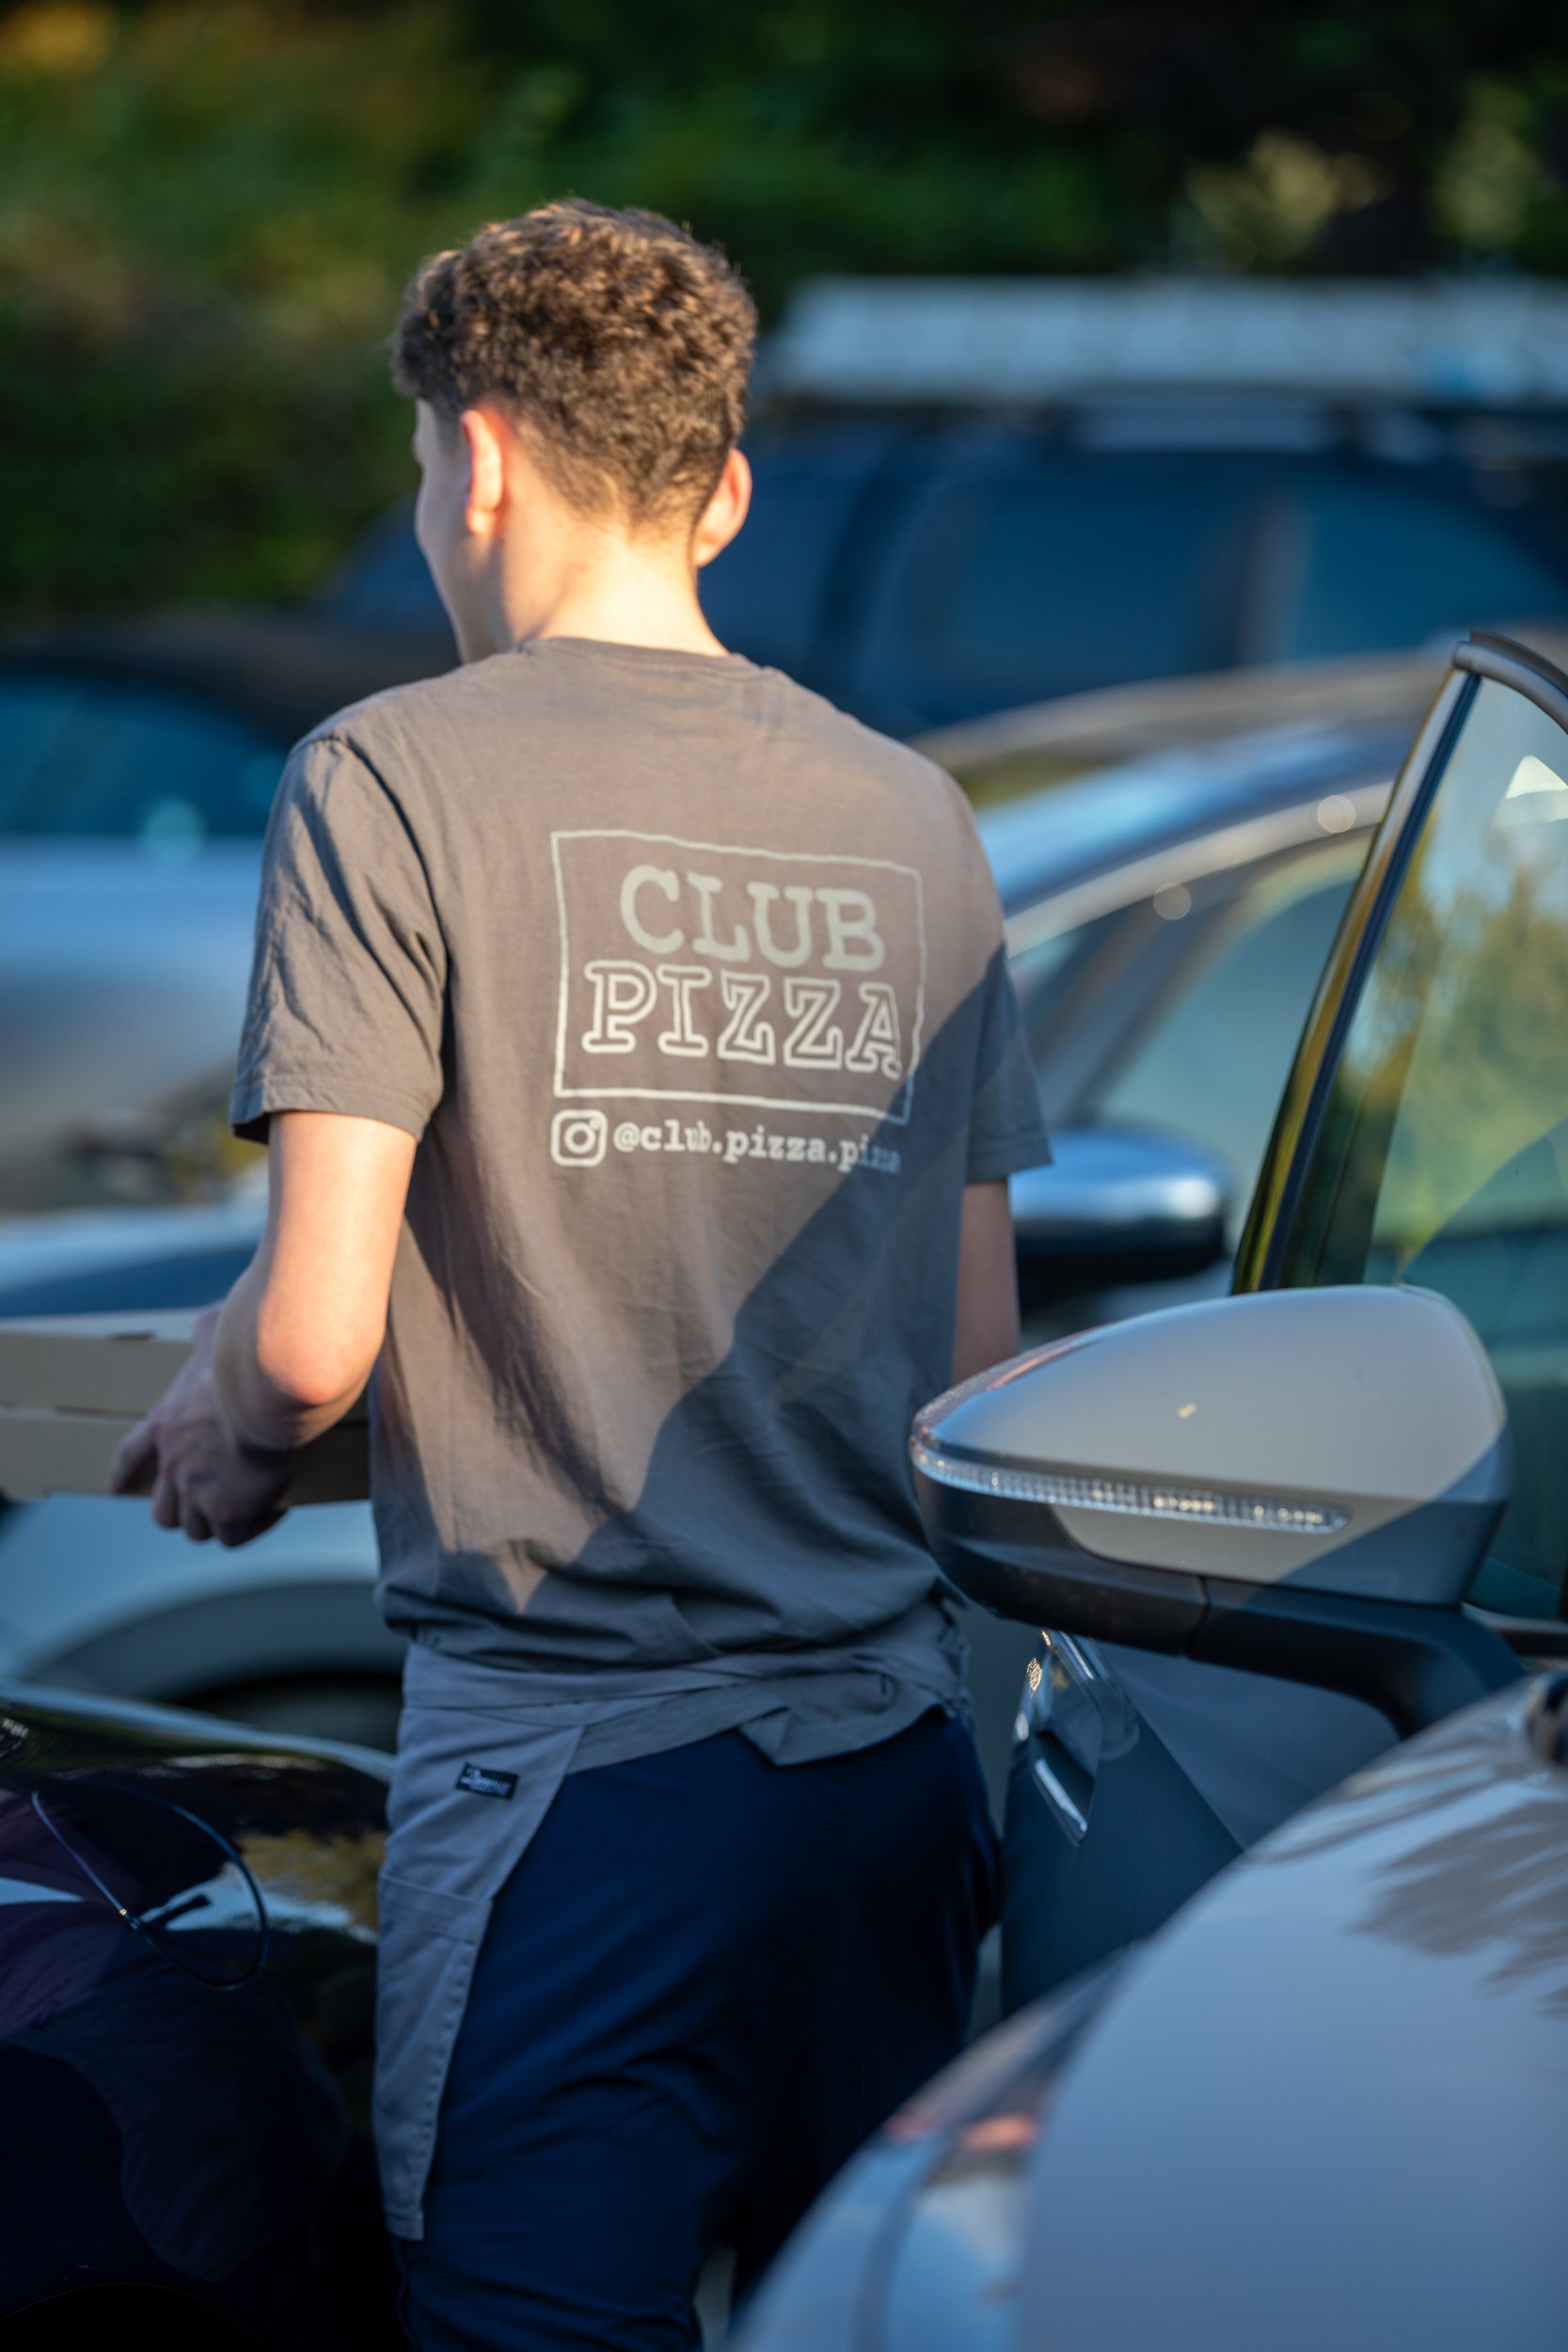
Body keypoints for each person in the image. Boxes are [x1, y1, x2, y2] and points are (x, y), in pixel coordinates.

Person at [112, 199, 1049, 2351]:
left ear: (484, 454)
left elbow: (314, 1341)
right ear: (722, 491)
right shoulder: (917, 813)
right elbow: (978, 1369)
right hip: (900, 1781)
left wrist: (229, 1422)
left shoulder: (390, 775)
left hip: (576, 1800)